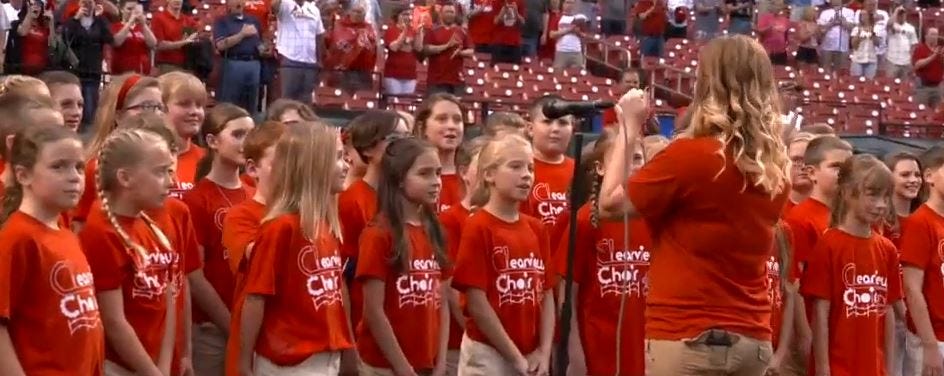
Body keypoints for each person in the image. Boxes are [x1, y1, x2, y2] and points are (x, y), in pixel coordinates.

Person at [597, 36, 790, 375]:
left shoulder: (692, 156)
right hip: (752, 337)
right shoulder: (773, 167)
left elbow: (610, 204)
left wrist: (628, 124)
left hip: (687, 334)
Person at [239, 123, 355, 374]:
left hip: (326, 356)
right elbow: (255, 298)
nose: (347, 165)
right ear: (313, 165)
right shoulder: (281, 228)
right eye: (337, 157)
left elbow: (335, 295)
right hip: (291, 362)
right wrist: (243, 362)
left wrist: (347, 349)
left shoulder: (325, 225)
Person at [0, 125, 104, 375]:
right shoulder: (17, 237)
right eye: (58, 166)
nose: (74, 177)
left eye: (79, 167)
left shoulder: (66, 235)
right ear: (23, 175)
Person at [79, 128, 179, 375]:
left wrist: (163, 366)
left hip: (153, 364)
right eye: (160, 172)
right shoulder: (102, 232)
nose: (171, 181)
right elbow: (114, 322)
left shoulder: (149, 225)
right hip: (118, 366)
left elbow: (167, 300)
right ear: (125, 178)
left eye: (169, 171)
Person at [452, 135, 555, 375]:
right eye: (515, 166)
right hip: (488, 353)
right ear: (489, 175)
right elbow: (477, 302)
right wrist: (514, 357)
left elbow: (547, 293)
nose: (526, 175)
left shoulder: (536, 228)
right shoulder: (478, 226)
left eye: (530, 168)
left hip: (531, 353)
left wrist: (544, 351)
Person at [559, 128, 652, 376]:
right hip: (597, 349)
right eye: (624, 158)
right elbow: (567, 294)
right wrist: (574, 352)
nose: (632, 166)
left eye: (637, 158)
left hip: (644, 350)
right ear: (601, 168)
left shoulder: (652, 218)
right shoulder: (586, 219)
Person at [356, 136, 450, 375]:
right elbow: (374, 311)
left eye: (438, 173)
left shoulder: (434, 229)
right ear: (398, 179)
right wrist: (403, 368)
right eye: (425, 174)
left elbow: (442, 302)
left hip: (426, 364)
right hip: (384, 366)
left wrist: (440, 364)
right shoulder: (378, 234)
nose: (436, 182)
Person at [802, 154, 901, 376]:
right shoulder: (828, 245)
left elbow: (888, 312)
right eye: (873, 195)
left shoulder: (887, 249)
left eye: (886, 197)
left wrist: (889, 367)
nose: (881, 205)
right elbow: (820, 313)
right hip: (839, 365)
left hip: (874, 367)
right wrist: (823, 368)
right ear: (847, 193)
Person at [181, 103, 254, 376]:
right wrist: (230, 323)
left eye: (251, 134)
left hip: (250, 325)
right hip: (212, 329)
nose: (246, 143)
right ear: (212, 141)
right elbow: (195, 275)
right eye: (237, 135)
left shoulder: (253, 191)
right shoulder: (197, 199)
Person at [221, 121, 285, 376]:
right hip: (257, 341)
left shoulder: (308, 214)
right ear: (252, 168)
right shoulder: (240, 216)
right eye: (280, 161)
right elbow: (258, 256)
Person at [75, 74, 164, 225]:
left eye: (159, 107)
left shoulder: (168, 163)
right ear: (119, 115)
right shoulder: (95, 169)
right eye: (146, 106)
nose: (155, 114)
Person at [522, 95, 575, 227]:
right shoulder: (517, 169)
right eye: (547, 122)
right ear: (530, 128)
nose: (555, 129)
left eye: (563, 123)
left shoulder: (581, 170)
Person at [63, 0, 114, 133]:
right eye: (84, 2)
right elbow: (65, 37)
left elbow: (109, 38)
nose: (87, 5)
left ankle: (87, 135)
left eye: (90, 2)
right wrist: (75, 19)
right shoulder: (72, 21)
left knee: (90, 106)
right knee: (76, 102)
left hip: (93, 70)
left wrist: (100, 18)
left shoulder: (100, 22)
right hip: (76, 69)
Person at [158, 71, 209, 197]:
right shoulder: (144, 159)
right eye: (184, 104)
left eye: (199, 105)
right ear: (160, 108)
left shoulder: (209, 160)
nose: (194, 111)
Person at [413, 93, 466, 213]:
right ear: (422, 127)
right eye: (442, 119)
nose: (452, 126)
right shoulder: (409, 178)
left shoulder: (472, 176)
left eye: (457, 120)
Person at [213, 0, 263, 116]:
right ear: (228, 4)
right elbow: (220, 45)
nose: (239, 3)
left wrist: (264, 49)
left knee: (251, 103)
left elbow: (259, 42)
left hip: (253, 64)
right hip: (233, 63)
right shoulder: (222, 21)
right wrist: (242, 34)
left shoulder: (253, 20)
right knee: (230, 103)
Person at [272, 0, 325, 104]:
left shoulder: (314, 10)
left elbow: (319, 35)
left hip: (310, 62)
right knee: (287, 100)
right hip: (289, 61)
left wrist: (319, 59)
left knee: (306, 101)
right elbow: (274, 6)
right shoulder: (285, 5)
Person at [421, 3, 473, 96]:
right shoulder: (433, 31)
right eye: (447, 12)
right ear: (441, 14)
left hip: (457, 80)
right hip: (436, 80)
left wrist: (459, 53)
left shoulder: (462, 31)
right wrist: (446, 46)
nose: (449, 14)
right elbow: (426, 49)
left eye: (452, 12)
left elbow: (471, 51)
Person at [151, 0, 199, 74]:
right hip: (167, 65)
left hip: (187, 66)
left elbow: (193, 40)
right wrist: (183, 42)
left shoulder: (188, 21)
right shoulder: (159, 18)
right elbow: (160, 45)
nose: (177, 1)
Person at [111, 0, 156, 75]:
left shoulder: (141, 28)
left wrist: (143, 25)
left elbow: (153, 43)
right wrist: (129, 23)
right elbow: (116, 42)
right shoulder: (115, 26)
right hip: (121, 72)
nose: (132, 12)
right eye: (129, 9)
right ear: (122, 10)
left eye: (135, 9)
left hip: (141, 72)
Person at [383, 7, 420, 96]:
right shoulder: (391, 30)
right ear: (397, 16)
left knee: (407, 103)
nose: (407, 17)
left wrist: (420, 33)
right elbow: (394, 47)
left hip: (410, 75)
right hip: (393, 75)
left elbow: (418, 48)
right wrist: (404, 32)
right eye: (404, 14)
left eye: (408, 14)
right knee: (394, 102)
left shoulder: (413, 31)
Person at [817, 0, 855, 73]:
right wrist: (832, 23)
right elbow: (821, 29)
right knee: (825, 70)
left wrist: (842, 21)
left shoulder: (849, 12)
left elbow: (852, 27)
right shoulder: (825, 13)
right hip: (827, 47)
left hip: (842, 47)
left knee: (839, 71)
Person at [549, 0, 586, 69]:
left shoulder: (579, 18)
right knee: (558, 75)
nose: (570, 5)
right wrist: (568, 30)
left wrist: (577, 32)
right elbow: (551, 34)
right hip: (561, 51)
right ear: (563, 4)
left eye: (572, 3)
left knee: (577, 76)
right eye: (568, 2)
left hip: (576, 52)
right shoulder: (557, 17)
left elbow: (584, 36)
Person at [913, 27, 943, 108]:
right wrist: (933, 56)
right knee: (921, 111)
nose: (935, 37)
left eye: (936, 34)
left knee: (937, 113)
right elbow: (917, 65)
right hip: (923, 87)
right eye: (932, 34)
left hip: (937, 87)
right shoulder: (920, 48)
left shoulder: (941, 50)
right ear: (926, 36)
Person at [885, 6, 918, 80]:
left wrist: (911, 60)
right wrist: (896, 11)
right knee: (890, 84)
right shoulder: (893, 25)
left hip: (905, 61)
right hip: (892, 61)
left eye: (903, 14)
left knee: (904, 86)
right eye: (900, 14)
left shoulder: (911, 28)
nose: (901, 16)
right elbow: (889, 24)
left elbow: (913, 44)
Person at [850, 11, 880, 79]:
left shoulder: (876, 29)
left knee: (869, 84)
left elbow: (878, 43)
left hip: (871, 60)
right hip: (858, 59)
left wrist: (872, 33)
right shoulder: (856, 29)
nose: (863, 17)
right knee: (856, 82)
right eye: (861, 15)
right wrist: (859, 35)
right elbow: (853, 45)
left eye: (865, 15)